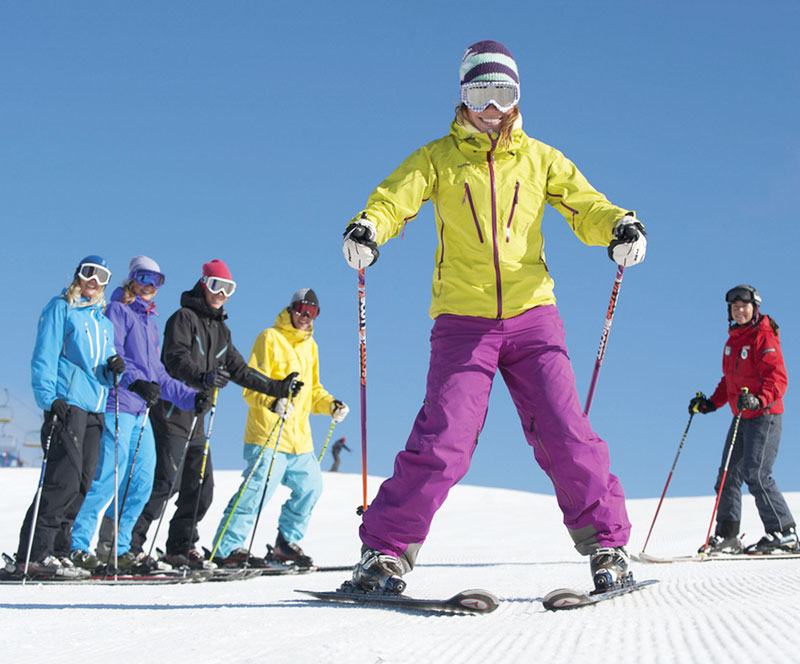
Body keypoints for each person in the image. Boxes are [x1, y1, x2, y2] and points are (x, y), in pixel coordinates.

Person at [341, 40, 647, 593]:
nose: (491, 106)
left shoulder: (539, 158)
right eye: (480, 92)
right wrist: (369, 227)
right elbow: (394, 199)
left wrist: (619, 225)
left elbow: (586, 204)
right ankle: (382, 554)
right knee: (444, 438)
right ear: (463, 97)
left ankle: (608, 549)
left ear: (517, 97)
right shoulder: (437, 158)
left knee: (565, 429)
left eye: (502, 93)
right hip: (463, 321)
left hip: (534, 316)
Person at [128, 259, 302, 569]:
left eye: (228, 289)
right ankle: (129, 546)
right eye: (216, 286)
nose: (221, 293)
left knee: (201, 487)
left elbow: (240, 371)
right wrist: (203, 378)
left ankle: (180, 549)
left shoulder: (221, 330)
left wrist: (278, 388)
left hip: (198, 417)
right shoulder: (183, 318)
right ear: (203, 284)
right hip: (172, 411)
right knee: (166, 482)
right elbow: (175, 358)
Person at [70, 256, 203, 571]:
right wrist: (136, 382)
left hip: (142, 413)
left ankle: (117, 545)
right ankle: (78, 544)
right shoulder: (119, 311)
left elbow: (158, 372)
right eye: (144, 278)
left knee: (143, 481)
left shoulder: (150, 323)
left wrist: (190, 397)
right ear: (132, 279)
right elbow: (112, 354)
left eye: (157, 281)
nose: (150, 286)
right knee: (108, 477)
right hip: (118, 405)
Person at [210, 289, 348, 568]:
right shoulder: (269, 338)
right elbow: (250, 386)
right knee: (256, 491)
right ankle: (226, 548)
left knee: (311, 488)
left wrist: (331, 405)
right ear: (290, 309)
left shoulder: (311, 346)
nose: (305, 317)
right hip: (268, 434)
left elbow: (313, 393)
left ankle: (285, 545)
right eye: (301, 310)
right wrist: (273, 402)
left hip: (299, 440)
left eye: (312, 312)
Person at [17, 256, 124, 577]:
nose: (93, 279)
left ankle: (60, 551)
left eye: (101, 275)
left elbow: (101, 367)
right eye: (88, 272)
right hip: (67, 403)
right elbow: (45, 355)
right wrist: (50, 400)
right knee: (62, 478)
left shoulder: (103, 322)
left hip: (95, 407)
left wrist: (112, 369)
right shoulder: (61, 308)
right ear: (78, 275)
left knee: (83, 482)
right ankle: (36, 552)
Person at [689, 285, 796, 554]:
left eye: (744, 306)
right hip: (741, 417)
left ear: (754, 308)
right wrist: (711, 403)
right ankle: (728, 535)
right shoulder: (733, 342)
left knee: (757, 474)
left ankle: (784, 532)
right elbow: (730, 382)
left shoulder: (764, 337)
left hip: (766, 415)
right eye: (734, 307)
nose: (739, 310)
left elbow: (778, 379)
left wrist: (760, 399)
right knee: (727, 475)